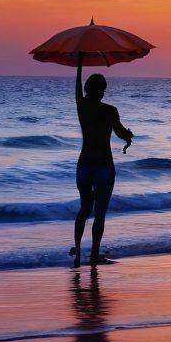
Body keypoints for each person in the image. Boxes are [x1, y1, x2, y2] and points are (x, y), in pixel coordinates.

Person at [72, 59, 133, 267]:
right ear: (102, 90)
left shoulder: (82, 106)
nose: (104, 92)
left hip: (84, 164)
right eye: (104, 89)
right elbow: (120, 133)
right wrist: (128, 136)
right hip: (104, 166)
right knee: (99, 213)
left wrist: (80, 63)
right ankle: (94, 254)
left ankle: (78, 252)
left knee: (84, 208)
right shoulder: (110, 111)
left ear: (87, 89)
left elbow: (77, 86)